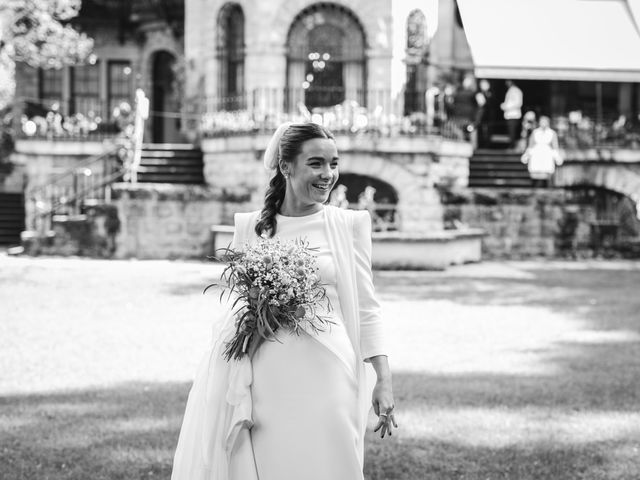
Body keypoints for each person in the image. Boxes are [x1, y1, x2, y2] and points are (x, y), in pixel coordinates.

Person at [171, 122, 396, 480]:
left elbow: (368, 307)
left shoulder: (350, 224)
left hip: (332, 369)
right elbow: (242, 312)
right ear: (286, 166)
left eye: (333, 163)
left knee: (332, 456)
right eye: (316, 163)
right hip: (268, 373)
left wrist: (383, 378)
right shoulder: (250, 228)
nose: (328, 175)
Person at [521, 116, 563, 187]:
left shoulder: (552, 133)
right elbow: (531, 145)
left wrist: (557, 157)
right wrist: (526, 155)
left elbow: (555, 147)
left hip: (547, 155)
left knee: (547, 176)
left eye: (545, 122)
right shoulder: (535, 132)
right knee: (535, 176)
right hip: (536, 155)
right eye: (542, 121)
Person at [500, 80, 523, 149]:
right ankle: (512, 145)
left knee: (512, 132)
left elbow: (518, 103)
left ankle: (512, 146)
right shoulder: (511, 90)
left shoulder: (515, 91)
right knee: (511, 131)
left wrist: (505, 106)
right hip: (510, 115)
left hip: (513, 115)